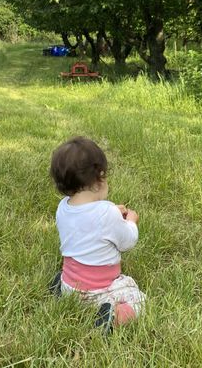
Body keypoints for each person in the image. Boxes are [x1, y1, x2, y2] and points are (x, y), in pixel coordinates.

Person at [49, 136, 145, 331]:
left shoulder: (63, 208)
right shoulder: (106, 212)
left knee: (70, 282)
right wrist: (131, 222)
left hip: (72, 285)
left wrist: (112, 214)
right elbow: (127, 241)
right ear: (99, 180)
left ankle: (61, 287)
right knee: (140, 300)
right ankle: (113, 317)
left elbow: (87, 223)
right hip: (98, 290)